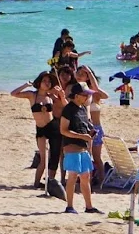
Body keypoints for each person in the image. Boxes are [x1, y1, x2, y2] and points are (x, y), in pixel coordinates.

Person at [10, 72, 59, 189]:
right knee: (43, 158)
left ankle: (50, 183)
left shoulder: (51, 96)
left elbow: (63, 103)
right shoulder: (32, 95)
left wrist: (59, 93)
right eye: (44, 81)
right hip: (41, 129)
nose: (47, 83)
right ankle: (36, 183)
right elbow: (13, 93)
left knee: (54, 156)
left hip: (52, 127)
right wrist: (26, 85)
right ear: (39, 82)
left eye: (49, 82)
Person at [59, 83, 99, 214]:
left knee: (86, 176)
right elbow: (63, 130)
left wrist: (90, 132)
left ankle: (89, 206)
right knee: (72, 176)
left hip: (83, 147)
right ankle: (69, 206)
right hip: (71, 147)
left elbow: (85, 126)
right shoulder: (68, 109)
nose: (87, 96)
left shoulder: (82, 108)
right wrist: (82, 136)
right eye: (85, 94)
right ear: (76, 96)